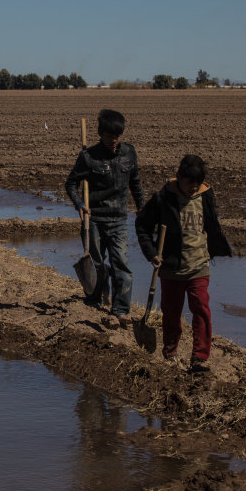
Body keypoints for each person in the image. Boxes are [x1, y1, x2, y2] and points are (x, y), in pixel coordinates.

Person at [135, 155, 231, 372]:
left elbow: (212, 224)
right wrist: (152, 253)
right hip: (171, 268)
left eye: (197, 183)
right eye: (189, 183)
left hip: (199, 265)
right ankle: (170, 352)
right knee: (171, 313)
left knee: (201, 309)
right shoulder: (164, 198)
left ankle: (200, 358)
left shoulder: (205, 195)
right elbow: (142, 225)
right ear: (179, 178)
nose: (193, 188)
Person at [65, 109, 145, 327]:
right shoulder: (88, 157)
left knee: (121, 264)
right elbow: (71, 183)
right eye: (110, 136)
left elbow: (135, 184)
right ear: (100, 133)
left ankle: (121, 310)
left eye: (118, 136)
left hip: (119, 219)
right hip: (94, 219)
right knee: (97, 264)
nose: (114, 141)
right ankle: (96, 298)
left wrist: (142, 208)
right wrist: (80, 204)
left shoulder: (129, 153)